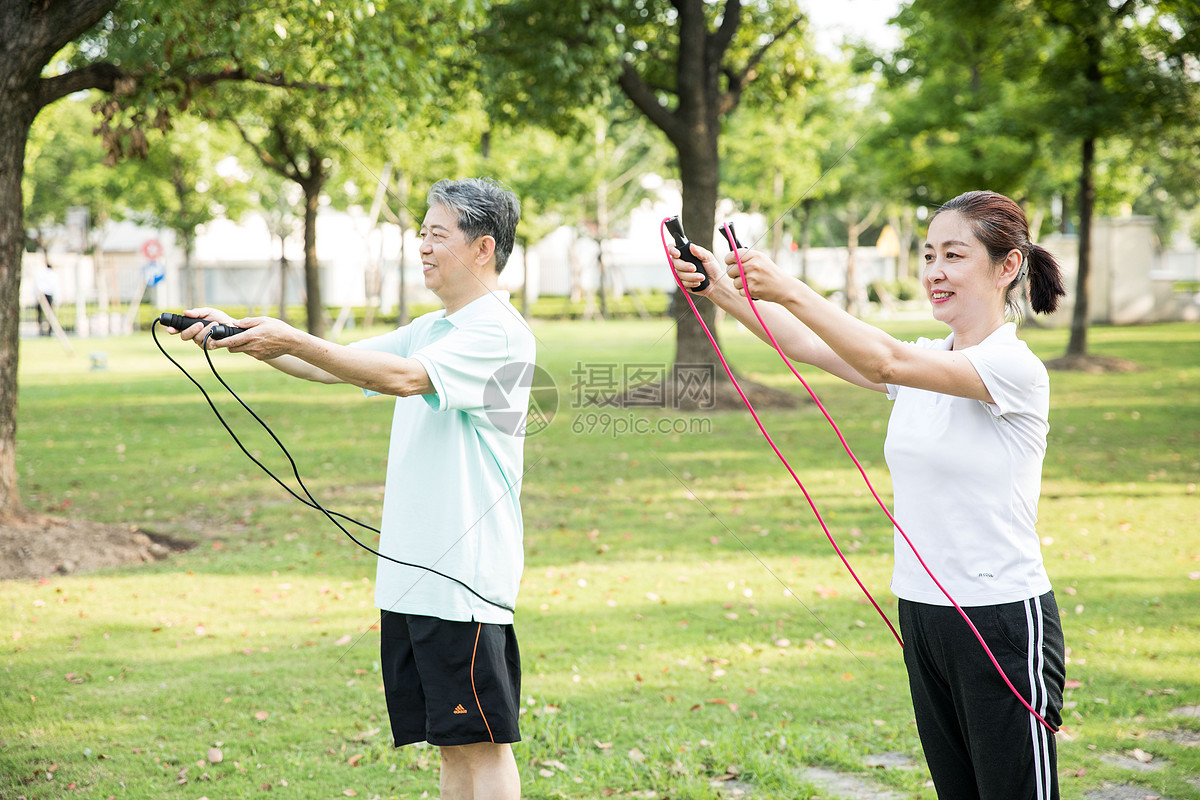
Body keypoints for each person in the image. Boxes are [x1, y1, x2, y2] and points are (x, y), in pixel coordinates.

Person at [671, 190, 1068, 800]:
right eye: (929, 254)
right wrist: (721, 288)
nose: (936, 271)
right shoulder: (928, 360)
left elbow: (880, 360)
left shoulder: (1013, 368)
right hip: (924, 612)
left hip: (999, 620)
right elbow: (810, 346)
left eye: (955, 255)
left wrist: (792, 287)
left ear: (1007, 265)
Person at [171, 178, 532, 800]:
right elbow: (326, 361)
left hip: (463, 579)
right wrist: (242, 334)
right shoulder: (432, 327)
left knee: (484, 744)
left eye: (437, 234)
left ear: (483, 248)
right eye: (421, 232)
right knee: (451, 748)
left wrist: (293, 336)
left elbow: (401, 378)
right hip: (417, 574)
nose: (422, 245)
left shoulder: (497, 331)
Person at [35, 263, 60, 336]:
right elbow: (55, 288)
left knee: (41, 315)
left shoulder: (41, 274)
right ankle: (48, 331)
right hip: (47, 294)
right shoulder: (52, 275)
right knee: (49, 314)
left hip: (42, 294)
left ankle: (42, 331)